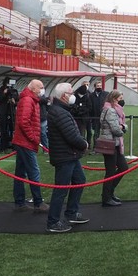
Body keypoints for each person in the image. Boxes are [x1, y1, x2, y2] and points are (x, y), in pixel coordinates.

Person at [45, 82, 90, 233]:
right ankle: (53, 221)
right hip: (65, 155)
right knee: (61, 189)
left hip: (70, 154)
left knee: (79, 180)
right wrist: (84, 144)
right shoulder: (59, 112)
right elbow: (71, 136)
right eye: (71, 93)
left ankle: (71, 213)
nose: (73, 96)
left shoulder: (61, 110)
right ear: (64, 96)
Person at [12, 79, 49, 213]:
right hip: (26, 142)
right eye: (41, 87)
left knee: (20, 173)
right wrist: (34, 138)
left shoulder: (30, 99)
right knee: (33, 172)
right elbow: (24, 122)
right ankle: (38, 202)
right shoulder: (28, 100)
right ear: (33, 88)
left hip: (23, 141)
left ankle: (19, 201)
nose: (42, 90)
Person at [99, 90, 128, 206]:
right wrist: (123, 127)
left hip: (115, 143)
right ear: (115, 99)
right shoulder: (110, 110)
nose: (122, 100)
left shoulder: (113, 109)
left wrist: (121, 127)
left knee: (123, 167)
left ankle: (110, 192)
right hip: (110, 143)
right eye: (120, 97)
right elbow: (116, 129)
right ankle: (106, 197)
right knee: (110, 171)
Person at [0, 77, 19, 151]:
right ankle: (3, 147)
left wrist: (14, 102)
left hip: (11, 112)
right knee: (3, 130)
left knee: (13, 129)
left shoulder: (14, 91)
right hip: (3, 112)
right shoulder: (0, 90)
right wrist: (4, 94)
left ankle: (14, 146)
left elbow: (18, 101)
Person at [87, 80, 105, 151]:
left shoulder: (106, 94)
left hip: (104, 117)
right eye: (98, 86)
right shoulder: (91, 95)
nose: (99, 87)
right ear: (95, 87)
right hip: (95, 117)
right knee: (96, 133)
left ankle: (104, 147)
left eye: (100, 86)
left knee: (104, 133)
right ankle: (96, 147)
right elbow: (90, 106)